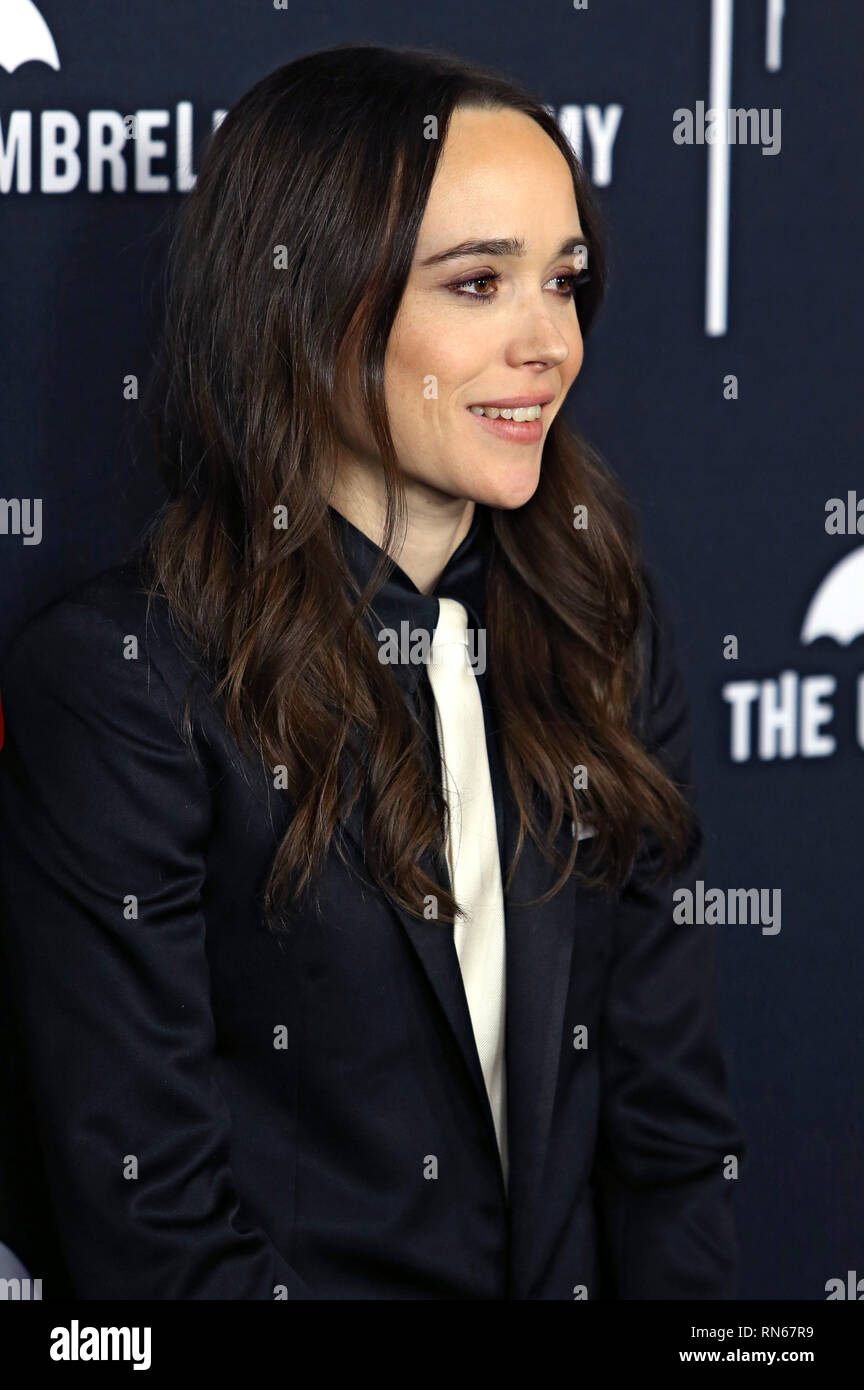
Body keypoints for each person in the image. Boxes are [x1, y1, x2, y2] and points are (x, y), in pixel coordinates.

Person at [0, 42, 746, 1300]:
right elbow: (153, 1239)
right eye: (476, 284)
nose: (548, 344)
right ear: (312, 303)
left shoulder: (601, 627)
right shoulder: (125, 684)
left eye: (563, 283)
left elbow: (669, 1137)